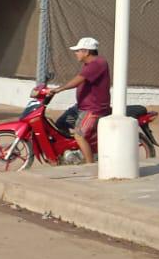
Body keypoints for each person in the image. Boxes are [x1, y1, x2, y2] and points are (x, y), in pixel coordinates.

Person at [48, 36, 112, 165]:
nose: (76, 53)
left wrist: (59, 89)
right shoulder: (89, 64)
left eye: (78, 51)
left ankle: (89, 164)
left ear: (86, 52)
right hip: (81, 107)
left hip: (93, 109)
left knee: (79, 134)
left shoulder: (98, 63)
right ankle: (74, 151)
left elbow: (78, 80)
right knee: (61, 124)